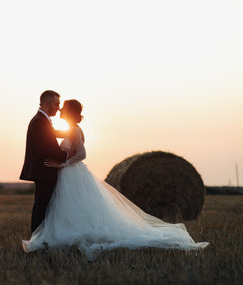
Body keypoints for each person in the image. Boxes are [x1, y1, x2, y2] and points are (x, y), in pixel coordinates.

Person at [22, 99, 208, 260]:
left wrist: (62, 165)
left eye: (62, 107)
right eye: (58, 106)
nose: (60, 109)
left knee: (77, 208)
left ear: (68, 112)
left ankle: (66, 239)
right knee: (70, 208)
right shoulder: (71, 129)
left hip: (71, 173)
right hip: (69, 175)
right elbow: (51, 133)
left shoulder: (75, 130)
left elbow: (82, 154)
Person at [20, 90, 69, 234]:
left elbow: (51, 136)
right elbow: (45, 150)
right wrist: (68, 155)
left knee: (44, 207)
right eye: (56, 104)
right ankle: (38, 240)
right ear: (47, 105)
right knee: (42, 207)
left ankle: (42, 238)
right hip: (44, 171)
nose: (59, 107)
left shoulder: (42, 120)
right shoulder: (39, 122)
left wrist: (72, 133)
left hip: (45, 171)